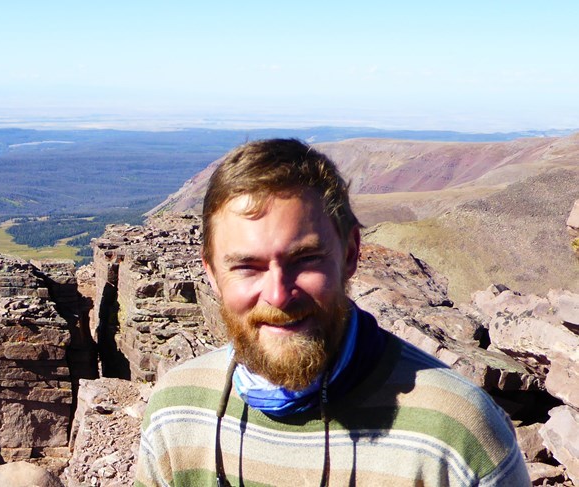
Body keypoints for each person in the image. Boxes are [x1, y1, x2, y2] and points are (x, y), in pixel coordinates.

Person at [134, 139, 529, 486]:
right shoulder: (176, 411)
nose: (279, 295)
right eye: (246, 266)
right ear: (212, 273)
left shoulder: (457, 433)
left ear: (351, 254)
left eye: (305, 259)